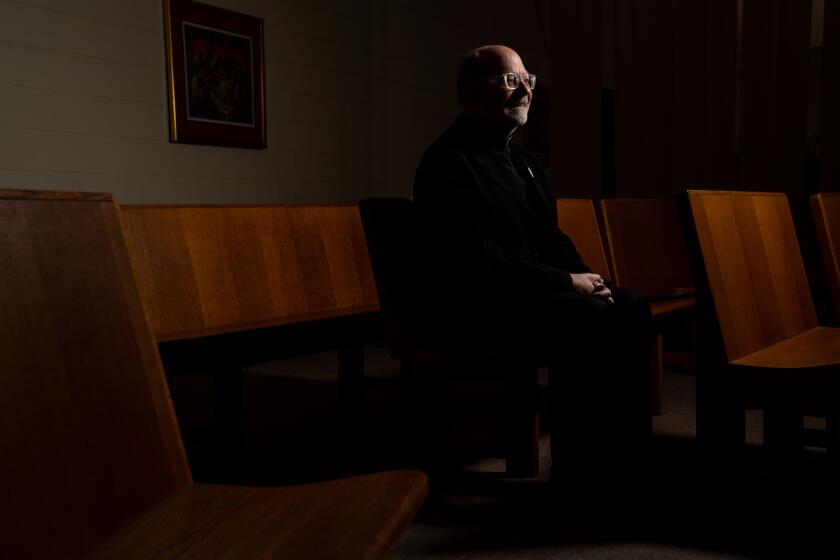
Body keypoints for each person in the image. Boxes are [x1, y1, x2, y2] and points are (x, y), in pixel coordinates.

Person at [413, 44, 653, 486]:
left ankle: (628, 454)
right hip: (478, 304)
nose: (525, 89)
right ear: (469, 92)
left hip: (525, 291)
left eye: (528, 79)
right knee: (584, 313)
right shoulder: (446, 161)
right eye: (510, 79)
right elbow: (474, 259)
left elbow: (551, 236)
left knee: (630, 304)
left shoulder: (525, 161)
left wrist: (593, 279)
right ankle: (580, 472)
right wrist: (567, 282)